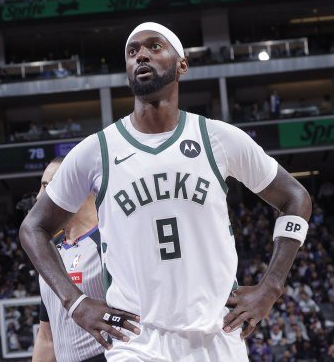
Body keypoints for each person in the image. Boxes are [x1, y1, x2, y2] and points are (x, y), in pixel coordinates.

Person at [20, 21, 311, 361]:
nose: (141, 54)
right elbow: (33, 227)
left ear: (181, 64)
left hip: (217, 335)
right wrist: (76, 302)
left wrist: (270, 288)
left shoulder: (217, 137)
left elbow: (296, 198)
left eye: (154, 47)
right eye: (133, 51)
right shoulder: (95, 150)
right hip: (137, 340)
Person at [31, 156, 107, 362]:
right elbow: (47, 337)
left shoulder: (109, 243)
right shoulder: (49, 252)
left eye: (47, 186)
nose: (39, 197)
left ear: (78, 188)